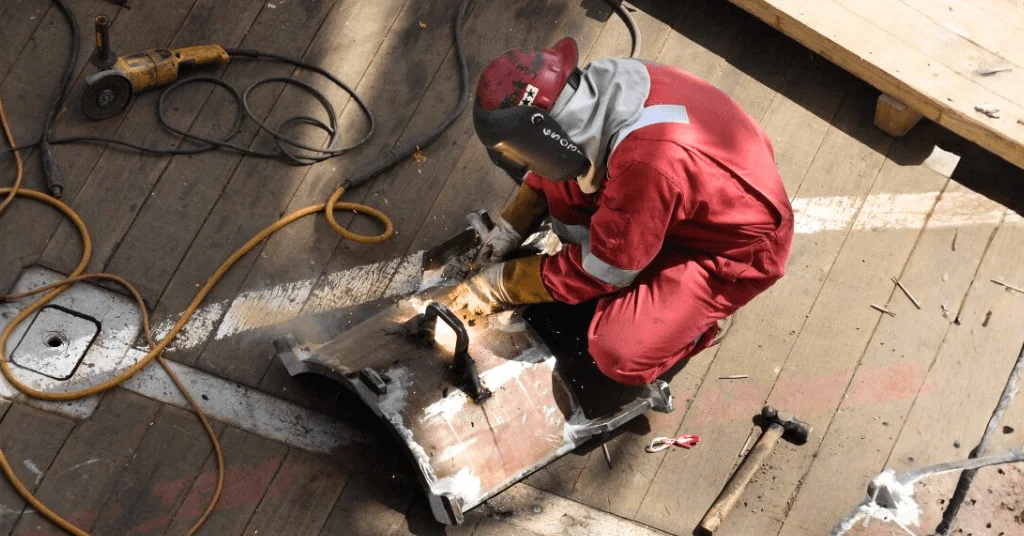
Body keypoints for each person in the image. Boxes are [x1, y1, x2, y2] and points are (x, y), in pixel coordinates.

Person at [452, 37, 794, 386]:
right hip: (694, 187)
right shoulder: (595, 90)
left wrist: (500, 286)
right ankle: (640, 259)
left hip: (730, 251)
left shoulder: (646, 165)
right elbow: (553, 161)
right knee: (567, 180)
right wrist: (512, 225)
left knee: (619, 352)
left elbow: (602, 271)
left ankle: (698, 325)